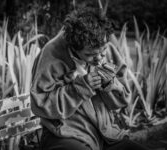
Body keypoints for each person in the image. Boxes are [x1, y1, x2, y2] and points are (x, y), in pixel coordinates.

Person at [30, 7, 149, 150]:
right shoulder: (51, 55)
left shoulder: (103, 42)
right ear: (73, 47)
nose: (99, 59)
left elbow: (123, 98)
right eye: (90, 54)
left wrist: (110, 85)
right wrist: (79, 88)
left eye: (103, 50)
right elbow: (40, 104)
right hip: (64, 135)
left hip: (105, 133)